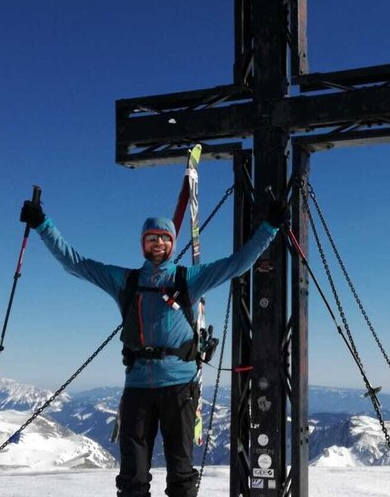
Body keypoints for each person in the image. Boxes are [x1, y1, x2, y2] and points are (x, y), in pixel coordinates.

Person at [19, 197, 283, 497]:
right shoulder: (126, 281)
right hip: (138, 387)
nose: (158, 243)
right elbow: (75, 262)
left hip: (178, 387)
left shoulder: (187, 280)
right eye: (151, 238)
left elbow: (237, 264)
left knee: (181, 474)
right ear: (143, 244)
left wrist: (269, 228)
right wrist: (43, 224)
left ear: (172, 243)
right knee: (132, 477)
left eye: (164, 238)